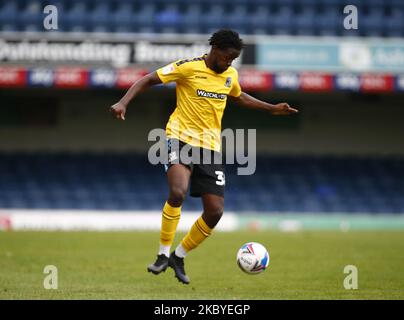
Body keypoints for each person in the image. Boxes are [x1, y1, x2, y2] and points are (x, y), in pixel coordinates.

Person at [109, 29, 298, 284]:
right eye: (227, 56)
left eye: (234, 59)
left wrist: (271, 108)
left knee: (215, 211)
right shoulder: (188, 68)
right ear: (215, 49)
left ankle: (179, 255)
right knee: (178, 192)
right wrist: (123, 102)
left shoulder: (230, 75)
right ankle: (162, 254)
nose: (230, 62)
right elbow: (148, 79)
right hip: (179, 138)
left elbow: (238, 95)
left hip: (209, 147)